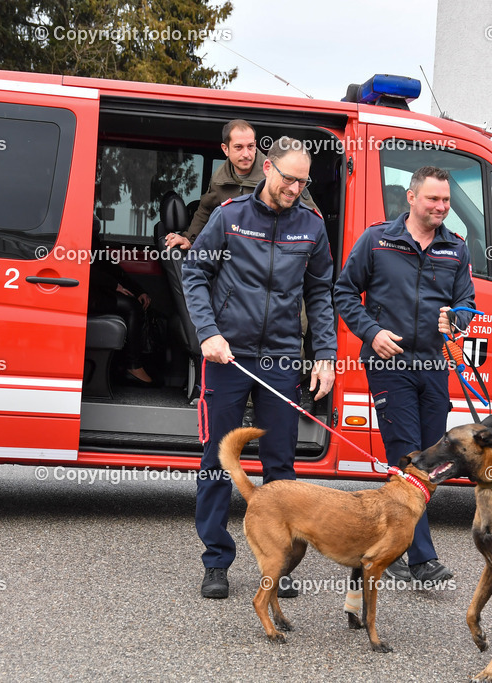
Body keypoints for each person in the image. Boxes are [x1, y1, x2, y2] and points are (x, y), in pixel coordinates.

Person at [182, 136, 337, 599]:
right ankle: (216, 561)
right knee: (218, 460)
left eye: (303, 182)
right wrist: (208, 332)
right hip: (227, 355)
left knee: (280, 465)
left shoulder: (311, 225)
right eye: (289, 178)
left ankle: (279, 563)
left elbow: (320, 294)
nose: (295, 189)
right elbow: (195, 273)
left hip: (282, 357)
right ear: (268, 168)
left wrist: (325, 355)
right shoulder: (229, 215)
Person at [333, 166, 475, 584]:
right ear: (412, 198)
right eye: (433, 199)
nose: (441, 207)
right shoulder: (377, 240)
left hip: (433, 365)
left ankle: (391, 544)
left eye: (446, 200)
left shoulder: (456, 248)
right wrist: (371, 333)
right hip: (389, 364)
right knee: (408, 454)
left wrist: (457, 319)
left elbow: (467, 302)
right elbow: (344, 291)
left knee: (431, 459)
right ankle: (419, 557)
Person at [164, 119, 315, 250]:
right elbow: (206, 209)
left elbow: (311, 216)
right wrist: (189, 239)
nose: (246, 154)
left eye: (250, 146)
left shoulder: (276, 172)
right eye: (238, 147)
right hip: (237, 254)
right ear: (225, 149)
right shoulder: (219, 178)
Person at [88, 222, 154, 384]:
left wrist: (138, 291)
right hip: (85, 295)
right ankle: (133, 365)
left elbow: (111, 267)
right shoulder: (77, 236)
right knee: (132, 307)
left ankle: (129, 364)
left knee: (135, 303)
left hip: (96, 290)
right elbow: (85, 269)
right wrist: (114, 285)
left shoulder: (92, 240)